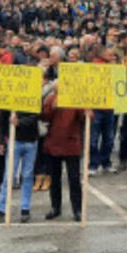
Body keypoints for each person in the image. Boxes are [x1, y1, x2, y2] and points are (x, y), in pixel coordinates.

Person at [40, 81, 84, 222]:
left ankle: (77, 209)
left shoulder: (75, 99)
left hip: (71, 145)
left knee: (74, 179)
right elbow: (43, 117)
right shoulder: (51, 99)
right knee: (54, 179)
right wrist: (52, 108)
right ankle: (55, 207)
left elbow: (84, 118)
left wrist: (87, 112)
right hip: (53, 144)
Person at [0, 105, 39, 224]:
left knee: (27, 176)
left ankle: (25, 209)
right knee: (9, 176)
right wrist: (0, 141)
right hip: (14, 141)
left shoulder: (32, 94)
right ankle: (2, 209)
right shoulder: (9, 98)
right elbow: (1, 121)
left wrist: (19, 122)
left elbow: (37, 114)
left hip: (31, 140)